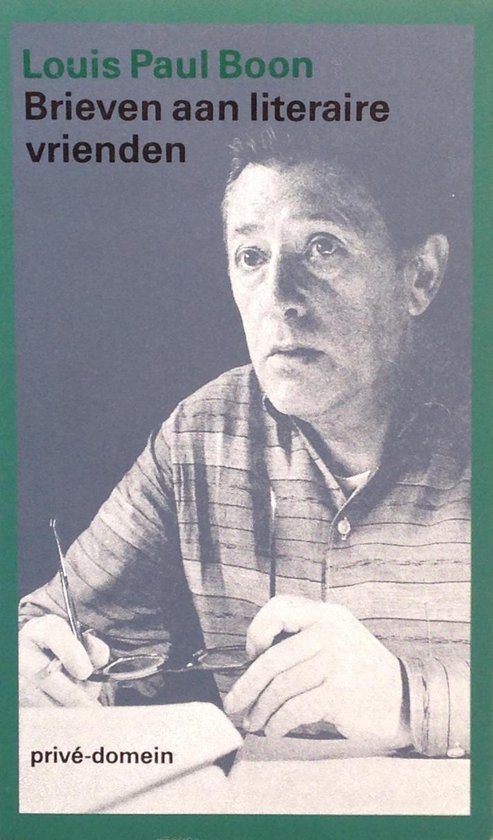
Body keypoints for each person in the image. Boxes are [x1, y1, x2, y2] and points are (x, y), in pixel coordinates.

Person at [19, 133, 470, 758]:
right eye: (252, 257)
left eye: (323, 247)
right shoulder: (201, 434)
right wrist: (34, 666)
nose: (280, 298)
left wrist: (402, 699)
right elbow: (51, 625)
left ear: (419, 276)